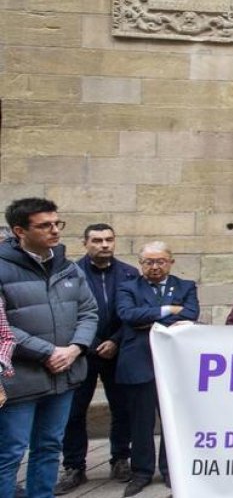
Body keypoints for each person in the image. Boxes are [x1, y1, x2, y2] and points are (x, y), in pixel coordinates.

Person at [0, 198, 99, 498]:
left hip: (64, 375)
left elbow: (89, 311)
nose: (55, 231)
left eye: (58, 224)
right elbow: (2, 326)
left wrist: (75, 349)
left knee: (49, 447)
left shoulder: (67, 267)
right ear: (20, 230)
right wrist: (47, 351)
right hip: (20, 379)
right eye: (45, 225)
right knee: (10, 453)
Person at [56, 224, 138, 493]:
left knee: (122, 408)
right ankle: (74, 465)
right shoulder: (70, 272)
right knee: (74, 410)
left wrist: (115, 340)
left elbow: (134, 312)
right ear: (85, 243)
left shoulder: (129, 273)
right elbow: (67, 314)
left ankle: (120, 458)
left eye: (109, 240)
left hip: (119, 351)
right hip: (82, 352)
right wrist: (89, 343)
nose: (104, 245)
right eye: (97, 240)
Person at [115, 242, 199, 496]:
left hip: (174, 363)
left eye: (160, 261)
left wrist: (148, 318)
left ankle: (170, 469)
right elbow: (128, 315)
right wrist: (169, 311)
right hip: (139, 360)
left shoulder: (185, 286)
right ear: (140, 264)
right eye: (148, 262)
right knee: (141, 421)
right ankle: (141, 471)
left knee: (172, 420)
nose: (154, 266)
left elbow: (192, 313)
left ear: (171, 261)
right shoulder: (127, 287)